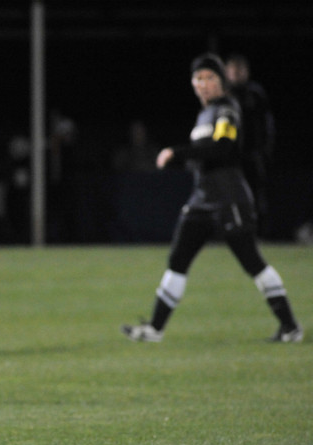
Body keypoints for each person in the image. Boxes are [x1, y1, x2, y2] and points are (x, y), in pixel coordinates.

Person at [122, 53, 302, 344]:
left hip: (229, 199)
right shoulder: (204, 114)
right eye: (199, 78)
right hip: (202, 200)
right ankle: (155, 329)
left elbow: (224, 148)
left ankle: (290, 327)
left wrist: (177, 154)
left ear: (222, 82)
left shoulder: (227, 109)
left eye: (210, 78)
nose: (204, 84)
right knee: (178, 259)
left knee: (252, 262)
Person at [224, 53, 275, 237]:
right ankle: (230, 234)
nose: (236, 74)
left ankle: (259, 234)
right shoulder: (223, 94)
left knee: (255, 195)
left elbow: (266, 124)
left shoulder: (255, 94)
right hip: (230, 157)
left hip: (252, 156)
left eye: (240, 70)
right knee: (228, 196)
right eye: (233, 70)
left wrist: (264, 150)